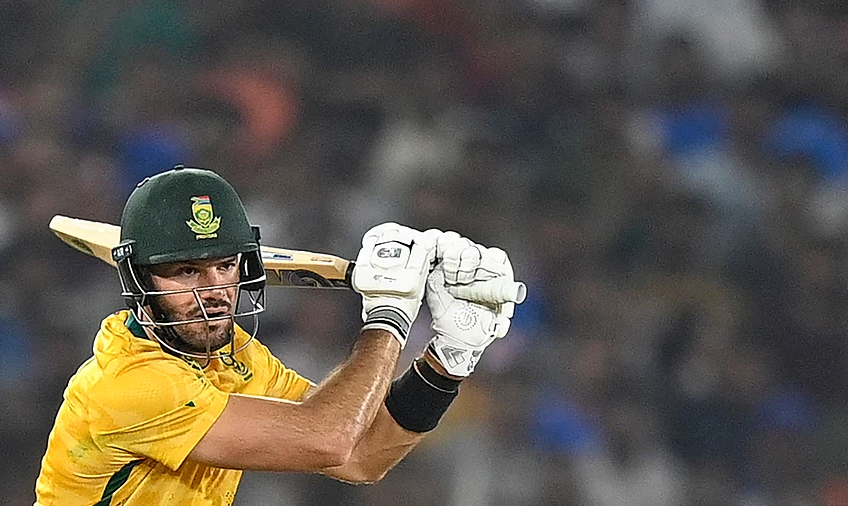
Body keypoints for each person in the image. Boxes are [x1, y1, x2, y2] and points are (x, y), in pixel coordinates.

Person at [34, 165, 525, 505]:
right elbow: (328, 440)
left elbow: (361, 457)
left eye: (225, 266)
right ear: (139, 280)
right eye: (186, 272)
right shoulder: (128, 384)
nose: (213, 291)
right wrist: (389, 316)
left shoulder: (235, 357)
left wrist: (447, 359)